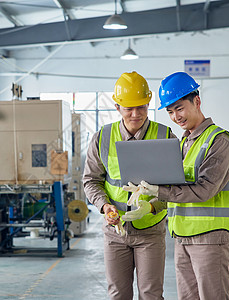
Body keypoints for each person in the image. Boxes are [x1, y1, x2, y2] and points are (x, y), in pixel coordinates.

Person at [137, 71, 229, 300]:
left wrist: (158, 190)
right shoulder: (184, 142)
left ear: (197, 101)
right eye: (170, 111)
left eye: (180, 108)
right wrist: (152, 206)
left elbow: (204, 190)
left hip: (211, 238)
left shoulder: (219, 141)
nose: (176, 116)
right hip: (182, 236)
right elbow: (180, 190)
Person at [82, 71, 174, 300]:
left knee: (151, 294)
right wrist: (105, 207)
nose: (136, 114)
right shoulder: (102, 138)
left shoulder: (165, 135)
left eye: (141, 107)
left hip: (151, 231)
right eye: (129, 108)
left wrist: (152, 207)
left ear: (148, 103)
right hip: (115, 231)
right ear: (117, 107)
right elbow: (91, 180)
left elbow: (174, 188)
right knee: (117, 294)